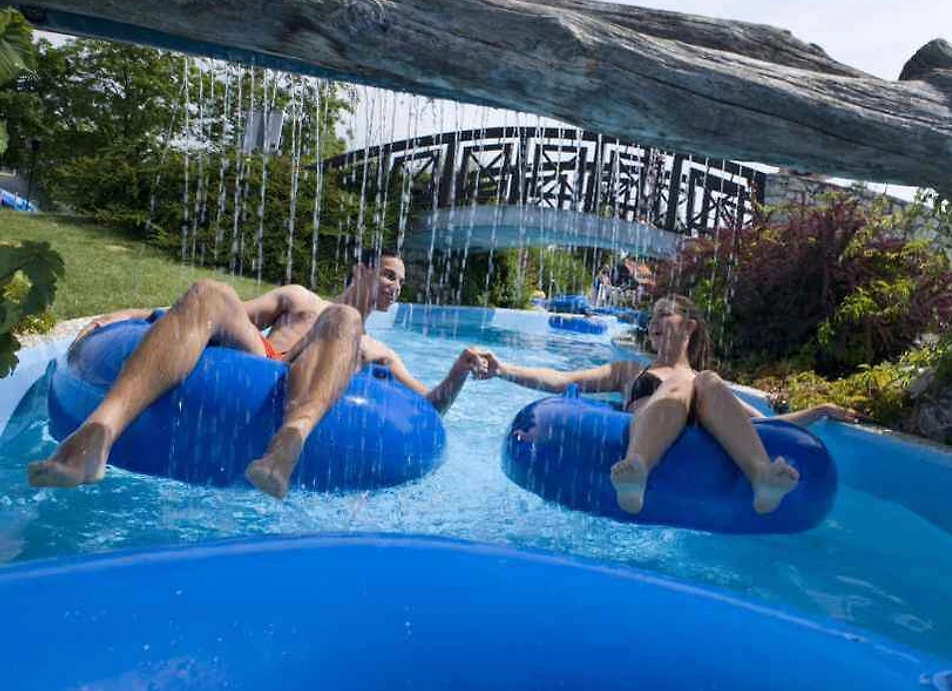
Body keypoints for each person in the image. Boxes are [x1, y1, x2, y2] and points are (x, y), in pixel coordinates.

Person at [27, 249, 485, 499]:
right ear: (360, 268)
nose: (395, 287)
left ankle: (288, 442)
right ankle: (99, 434)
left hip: (313, 382)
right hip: (262, 358)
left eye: (400, 282)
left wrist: (459, 373)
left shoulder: (378, 350)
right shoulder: (300, 298)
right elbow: (211, 315)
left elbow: (427, 408)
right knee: (210, 290)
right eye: (387, 274)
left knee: (345, 320)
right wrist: (132, 314)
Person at [474, 294, 861, 516]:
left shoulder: (704, 384)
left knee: (706, 380)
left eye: (664, 314)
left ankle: (761, 477)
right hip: (645, 424)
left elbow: (764, 426)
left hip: (696, 424)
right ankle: (638, 468)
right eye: (652, 317)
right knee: (678, 386)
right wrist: (503, 369)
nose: (653, 322)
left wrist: (819, 411)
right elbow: (562, 381)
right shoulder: (630, 371)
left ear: (689, 326)